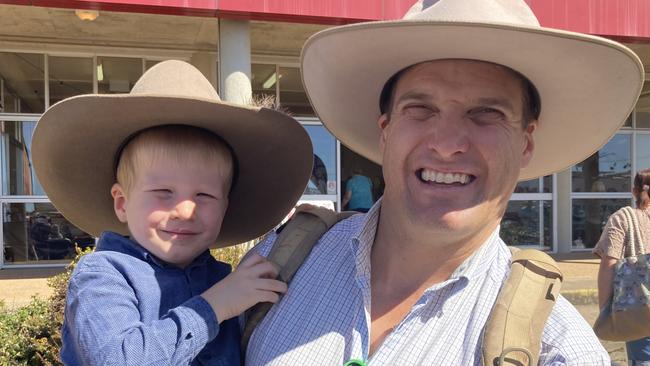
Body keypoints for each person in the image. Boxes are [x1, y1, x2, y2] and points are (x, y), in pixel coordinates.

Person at [244, 0, 643, 364]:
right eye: (420, 108)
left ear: (526, 143)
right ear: (385, 131)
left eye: (486, 113)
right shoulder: (280, 262)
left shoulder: (558, 350)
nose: (448, 144)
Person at [31, 60, 313, 365]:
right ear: (122, 202)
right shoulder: (104, 275)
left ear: (224, 208)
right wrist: (214, 307)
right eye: (163, 193)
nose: (185, 210)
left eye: (204, 195)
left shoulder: (223, 279)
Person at [594, 169, 650, 364]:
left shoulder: (623, 218)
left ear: (634, 190)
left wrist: (606, 310)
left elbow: (608, 263)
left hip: (638, 310)